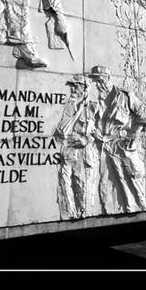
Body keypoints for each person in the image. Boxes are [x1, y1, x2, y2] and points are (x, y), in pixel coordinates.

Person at [87, 65, 146, 213]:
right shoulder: (95, 98)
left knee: (132, 178)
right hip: (104, 146)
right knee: (106, 182)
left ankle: (141, 207)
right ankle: (112, 211)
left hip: (122, 144)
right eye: (96, 81)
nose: (98, 84)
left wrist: (134, 137)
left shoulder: (125, 96)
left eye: (100, 80)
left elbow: (143, 115)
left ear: (108, 78)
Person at [54, 74, 97, 219]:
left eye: (76, 85)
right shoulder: (69, 105)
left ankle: (84, 214)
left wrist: (86, 139)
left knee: (82, 184)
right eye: (72, 85)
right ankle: (69, 214)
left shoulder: (93, 106)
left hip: (83, 151)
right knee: (65, 182)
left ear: (84, 88)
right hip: (68, 149)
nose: (72, 88)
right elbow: (62, 127)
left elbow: (102, 130)